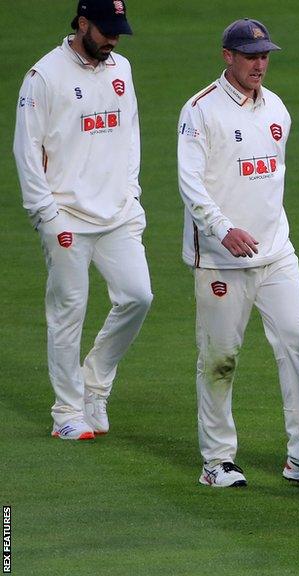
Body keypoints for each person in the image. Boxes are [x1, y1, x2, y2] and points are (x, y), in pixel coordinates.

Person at [177, 18, 299, 488]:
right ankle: (217, 461)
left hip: (276, 253)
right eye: (250, 55)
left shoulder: (277, 109)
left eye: (264, 55)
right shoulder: (199, 111)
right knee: (220, 358)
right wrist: (223, 229)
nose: (260, 64)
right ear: (227, 57)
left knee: (297, 342)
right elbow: (191, 183)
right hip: (221, 259)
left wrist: (262, 232)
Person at [13, 0, 153, 441]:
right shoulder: (44, 76)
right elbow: (26, 150)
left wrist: (132, 194)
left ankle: (95, 382)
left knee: (137, 297)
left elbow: (130, 133)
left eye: (118, 32)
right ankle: (67, 413)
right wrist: (47, 216)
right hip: (66, 215)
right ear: (82, 23)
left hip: (117, 213)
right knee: (68, 314)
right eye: (105, 31)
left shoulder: (120, 69)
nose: (112, 40)